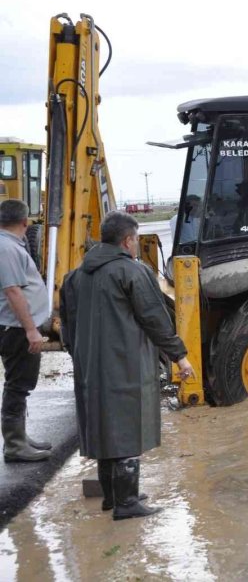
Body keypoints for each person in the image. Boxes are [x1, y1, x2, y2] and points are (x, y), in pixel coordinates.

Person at [60, 211, 193, 521]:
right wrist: (180, 356)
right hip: (126, 365)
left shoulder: (75, 277)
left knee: (105, 428)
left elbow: (66, 327)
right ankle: (128, 503)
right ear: (128, 240)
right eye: (135, 239)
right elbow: (155, 319)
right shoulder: (132, 272)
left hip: (90, 368)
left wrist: (81, 357)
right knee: (128, 428)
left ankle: (112, 496)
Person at [0, 200, 51, 462]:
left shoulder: (9, 245)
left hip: (16, 326)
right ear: (25, 222)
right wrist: (31, 330)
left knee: (19, 383)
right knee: (18, 384)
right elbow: (12, 290)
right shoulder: (7, 248)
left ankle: (20, 437)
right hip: (17, 328)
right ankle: (15, 445)